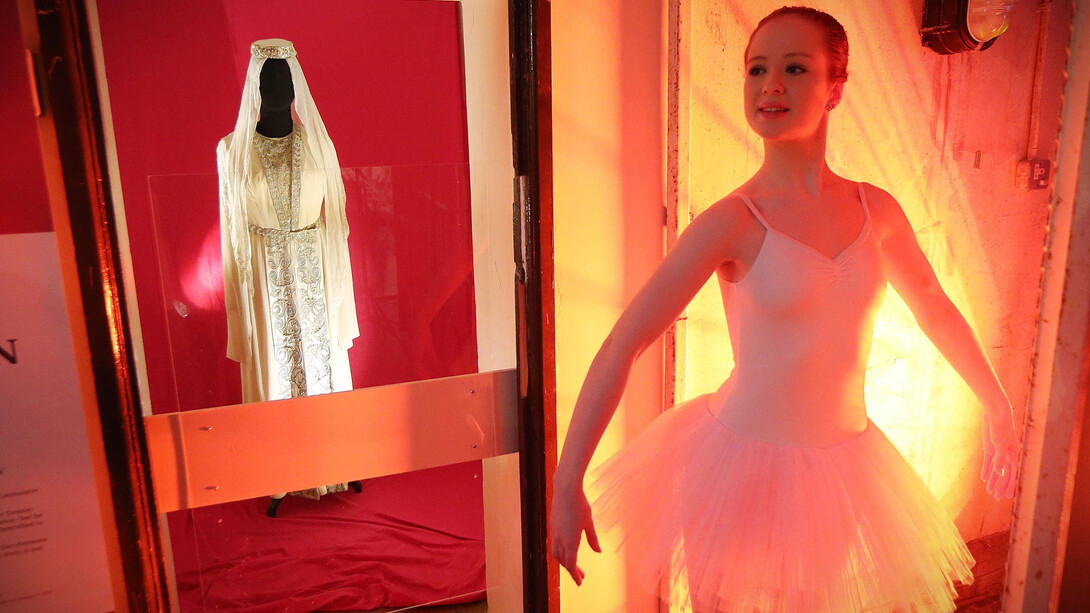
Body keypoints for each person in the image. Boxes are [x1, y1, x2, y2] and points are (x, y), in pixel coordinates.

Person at [549, 6, 1022, 613]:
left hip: (844, 468)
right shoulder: (732, 221)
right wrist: (567, 482)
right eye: (756, 69)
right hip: (735, 463)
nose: (770, 84)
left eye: (795, 68)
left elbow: (932, 305)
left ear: (835, 90)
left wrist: (998, 405)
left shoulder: (876, 211)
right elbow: (624, 343)